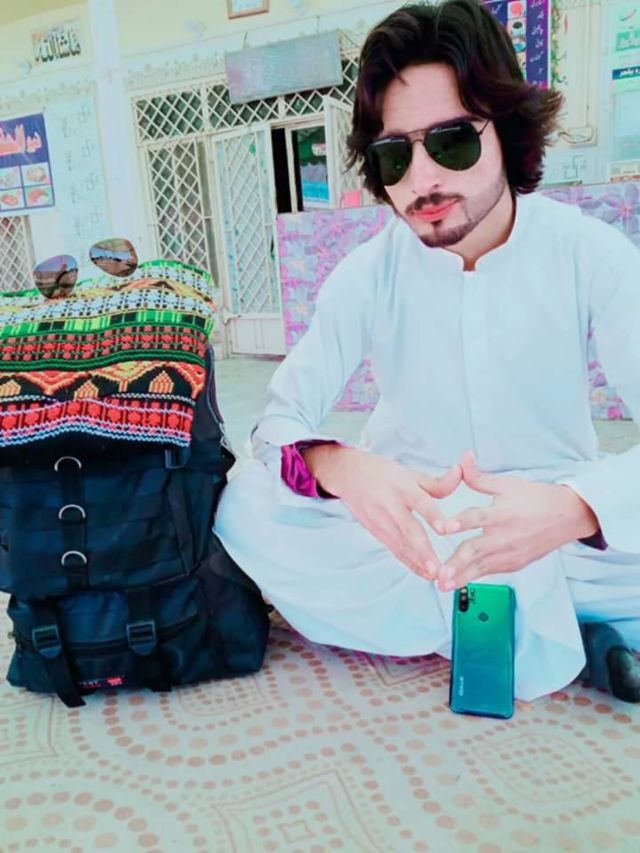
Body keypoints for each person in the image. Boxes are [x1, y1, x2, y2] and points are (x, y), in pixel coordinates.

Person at [215, 0, 640, 702]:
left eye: (452, 142)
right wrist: (343, 466)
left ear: (506, 129)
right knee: (244, 505)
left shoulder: (589, 254)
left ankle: (514, 617)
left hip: (554, 524)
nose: (422, 180)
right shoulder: (367, 272)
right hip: (413, 532)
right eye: (395, 155)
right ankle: (567, 627)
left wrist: (576, 507)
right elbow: (276, 425)